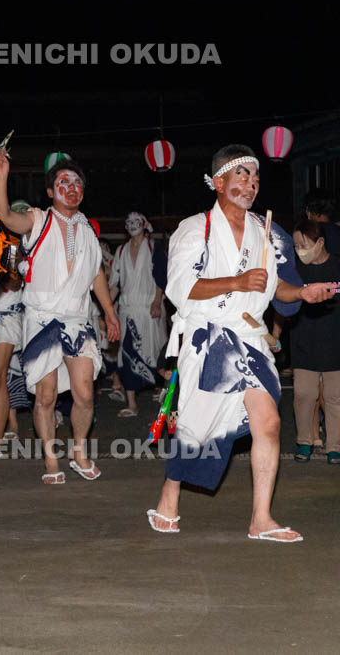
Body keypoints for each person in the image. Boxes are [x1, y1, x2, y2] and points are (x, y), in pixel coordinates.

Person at [148, 144, 336, 541]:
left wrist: (303, 294)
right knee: (198, 429)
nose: (251, 184)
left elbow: (275, 288)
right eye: (242, 176)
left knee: (269, 422)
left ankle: (261, 519)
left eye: (256, 178)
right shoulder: (194, 228)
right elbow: (180, 287)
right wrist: (236, 281)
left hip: (250, 338)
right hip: (209, 336)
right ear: (218, 182)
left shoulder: (265, 232)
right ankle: (170, 491)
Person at [0, 148, 119, 484]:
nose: (72, 188)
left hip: (77, 319)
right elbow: (5, 216)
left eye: (77, 183)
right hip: (41, 319)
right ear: (51, 191)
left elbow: (96, 274)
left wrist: (109, 313)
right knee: (46, 395)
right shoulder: (38, 220)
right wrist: (2, 176)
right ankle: (51, 460)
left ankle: (79, 452)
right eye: (64, 182)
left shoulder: (88, 230)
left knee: (85, 393)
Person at [290, 219, 340, 465]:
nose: (300, 250)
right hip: (303, 340)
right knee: (304, 394)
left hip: (335, 342)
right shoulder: (294, 270)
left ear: (320, 242)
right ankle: (304, 441)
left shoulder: (337, 265)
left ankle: (335, 446)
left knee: (335, 397)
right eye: (296, 245)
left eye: (304, 244)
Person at [109, 212, 168, 417]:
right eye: (129, 222)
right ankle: (132, 404)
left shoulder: (153, 247)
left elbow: (161, 276)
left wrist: (157, 301)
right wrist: (107, 308)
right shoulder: (121, 251)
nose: (132, 225)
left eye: (136, 222)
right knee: (127, 353)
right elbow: (115, 284)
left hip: (148, 309)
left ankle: (162, 388)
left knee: (153, 351)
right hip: (127, 311)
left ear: (144, 224)